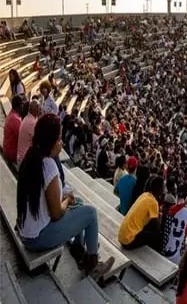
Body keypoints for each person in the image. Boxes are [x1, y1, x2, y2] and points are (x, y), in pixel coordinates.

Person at [15, 114, 114, 278]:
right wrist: (67, 200)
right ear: (51, 141)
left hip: (28, 231)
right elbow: (56, 214)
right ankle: (93, 265)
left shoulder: (31, 157)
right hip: (37, 238)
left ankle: (78, 249)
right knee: (90, 214)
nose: (61, 143)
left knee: (79, 203)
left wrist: (68, 200)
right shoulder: (48, 165)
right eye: (59, 139)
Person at [119, 175, 165, 250]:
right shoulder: (153, 202)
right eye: (163, 187)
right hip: (128, 241)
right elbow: (156, 229)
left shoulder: (144, 195)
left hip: (122, 237)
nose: (164, 189)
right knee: (155, 236)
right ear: (160, 189)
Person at [16, 99, 41, 168]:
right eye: (38, 107)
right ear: (33, 110)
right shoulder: (32, 122)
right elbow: (38, 142)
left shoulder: (28, 118)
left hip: (21, 156)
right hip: (24, 160)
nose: (40, 108)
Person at [3, 95, 24, 165]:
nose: (23, 107)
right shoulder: (15, 119)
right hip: (11, 152)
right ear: (18, 107)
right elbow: (22, 137)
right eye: (22, 105)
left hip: (7, 149)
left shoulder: (11, 115)